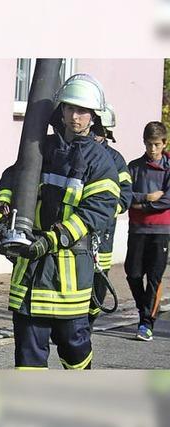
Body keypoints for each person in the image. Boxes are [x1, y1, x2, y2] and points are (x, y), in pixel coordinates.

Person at [0, 73, 119, 369]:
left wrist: (50, 239)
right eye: (70, 108)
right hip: (30, 272)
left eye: (82, 111)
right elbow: (11, 182)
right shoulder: (39, 149)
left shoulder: (101, 162)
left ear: (93, 116)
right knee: (27, 355)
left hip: (68, 275)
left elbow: (95, 211)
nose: (75, 116)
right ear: (61, 110)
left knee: (74, 349)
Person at [87, 103, 132, 326]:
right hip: (77, 232)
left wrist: (102, 211)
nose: (95, 136)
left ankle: (90, 320)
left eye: (99, 132)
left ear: (106, 133)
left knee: (98, 282)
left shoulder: (115, 161)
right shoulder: (77, 152)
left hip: (102, 236)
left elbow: (125, 197)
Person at [125, 121, 170, 342]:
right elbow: (124, 196)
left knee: (154, 277)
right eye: (148, 144)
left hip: (161, 230)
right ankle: (146, 309)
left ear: (164, 144)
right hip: (137, 229)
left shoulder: (169, 168)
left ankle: (146, 323)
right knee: (132, 273)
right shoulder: (133, 167)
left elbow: (168, 201)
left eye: (156, 145)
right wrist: (146, 198)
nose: (152, 149)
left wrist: (140, 206)